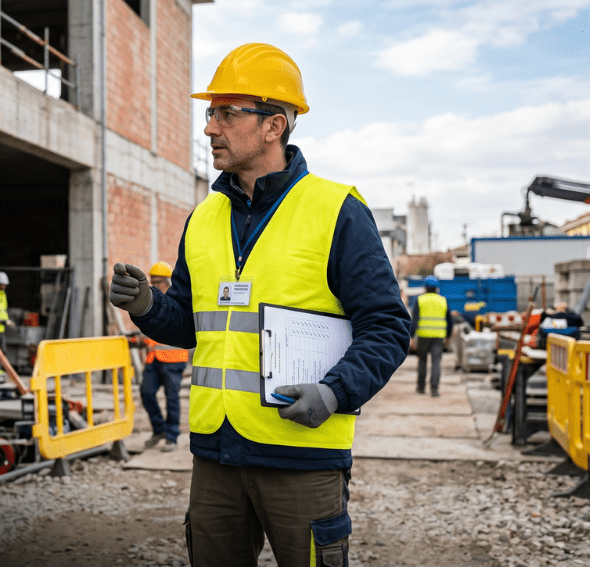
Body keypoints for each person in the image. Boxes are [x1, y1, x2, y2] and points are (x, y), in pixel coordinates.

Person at [109, 43, 410, 566]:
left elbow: (386, 326)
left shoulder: (336, 210)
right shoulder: (203, 218)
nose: (209, 128)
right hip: (215, 455)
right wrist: (148, 307)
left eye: (227, 113)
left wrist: (335, 393)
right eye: (211, 112)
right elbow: (191, 324)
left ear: (274, 125)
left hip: (303, 452)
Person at [139, 262, 189, 453]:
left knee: (172, 399)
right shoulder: (152, 300)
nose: (153, 285)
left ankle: (172, 436)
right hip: (154, 358)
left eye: (157, 282)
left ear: (167, 282)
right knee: (146, 392)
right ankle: (159, 429)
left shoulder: (176, 301)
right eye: (152, 281)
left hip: (174, 359)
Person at [409, 275, 452, 397]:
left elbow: (414, 320)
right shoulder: (443, 300)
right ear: (436, 288)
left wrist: (412, 336)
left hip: (423, 336)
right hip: (438, 336)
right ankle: (434, 389)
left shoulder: (420, 300)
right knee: (436, 362)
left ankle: (421, 387)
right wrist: (448, 336)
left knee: (422, 361)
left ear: (426, 288)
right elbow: (449, 320)